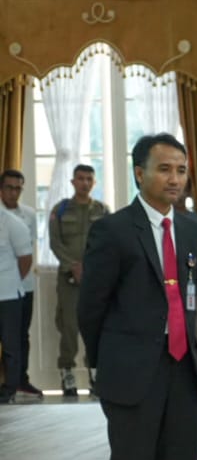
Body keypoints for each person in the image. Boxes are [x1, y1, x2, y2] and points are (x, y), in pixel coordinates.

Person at [77, 134, 197, 460]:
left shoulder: (194, 228)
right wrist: (106, 363)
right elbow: (91, 306)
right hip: (132, 374)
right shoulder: (113, 230)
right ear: (139, 173)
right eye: (164, 169)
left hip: (182, 370)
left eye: (180, 169)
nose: (174, 178)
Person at [49, 164, 109, 398]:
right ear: (72, 182)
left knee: (95, 327)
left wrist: (91, 267)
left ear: (94, 183)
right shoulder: (61, 209)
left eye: (89, 179)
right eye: (80, 179)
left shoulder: (103, 211)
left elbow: (108, 243)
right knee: (69, 327)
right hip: (68, 279)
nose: (84, 183)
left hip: (96, 280)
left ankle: (95, 375)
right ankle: (68, 376)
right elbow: (55, 243)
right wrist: (72, 265)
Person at [1, 170, 41, 399]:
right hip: (6, 286)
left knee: (18, 336)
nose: (13, 192)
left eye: (18, 188)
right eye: (9, 187)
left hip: (22, 286)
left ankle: (19, 381)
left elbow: (27, 254)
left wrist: (12, 279)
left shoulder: (28, 215)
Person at [0, 198, 31, 404]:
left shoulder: (12, 223)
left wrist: (11, 281)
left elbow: (25, 259)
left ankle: (9, 389)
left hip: (8, 295)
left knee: (11, 345)